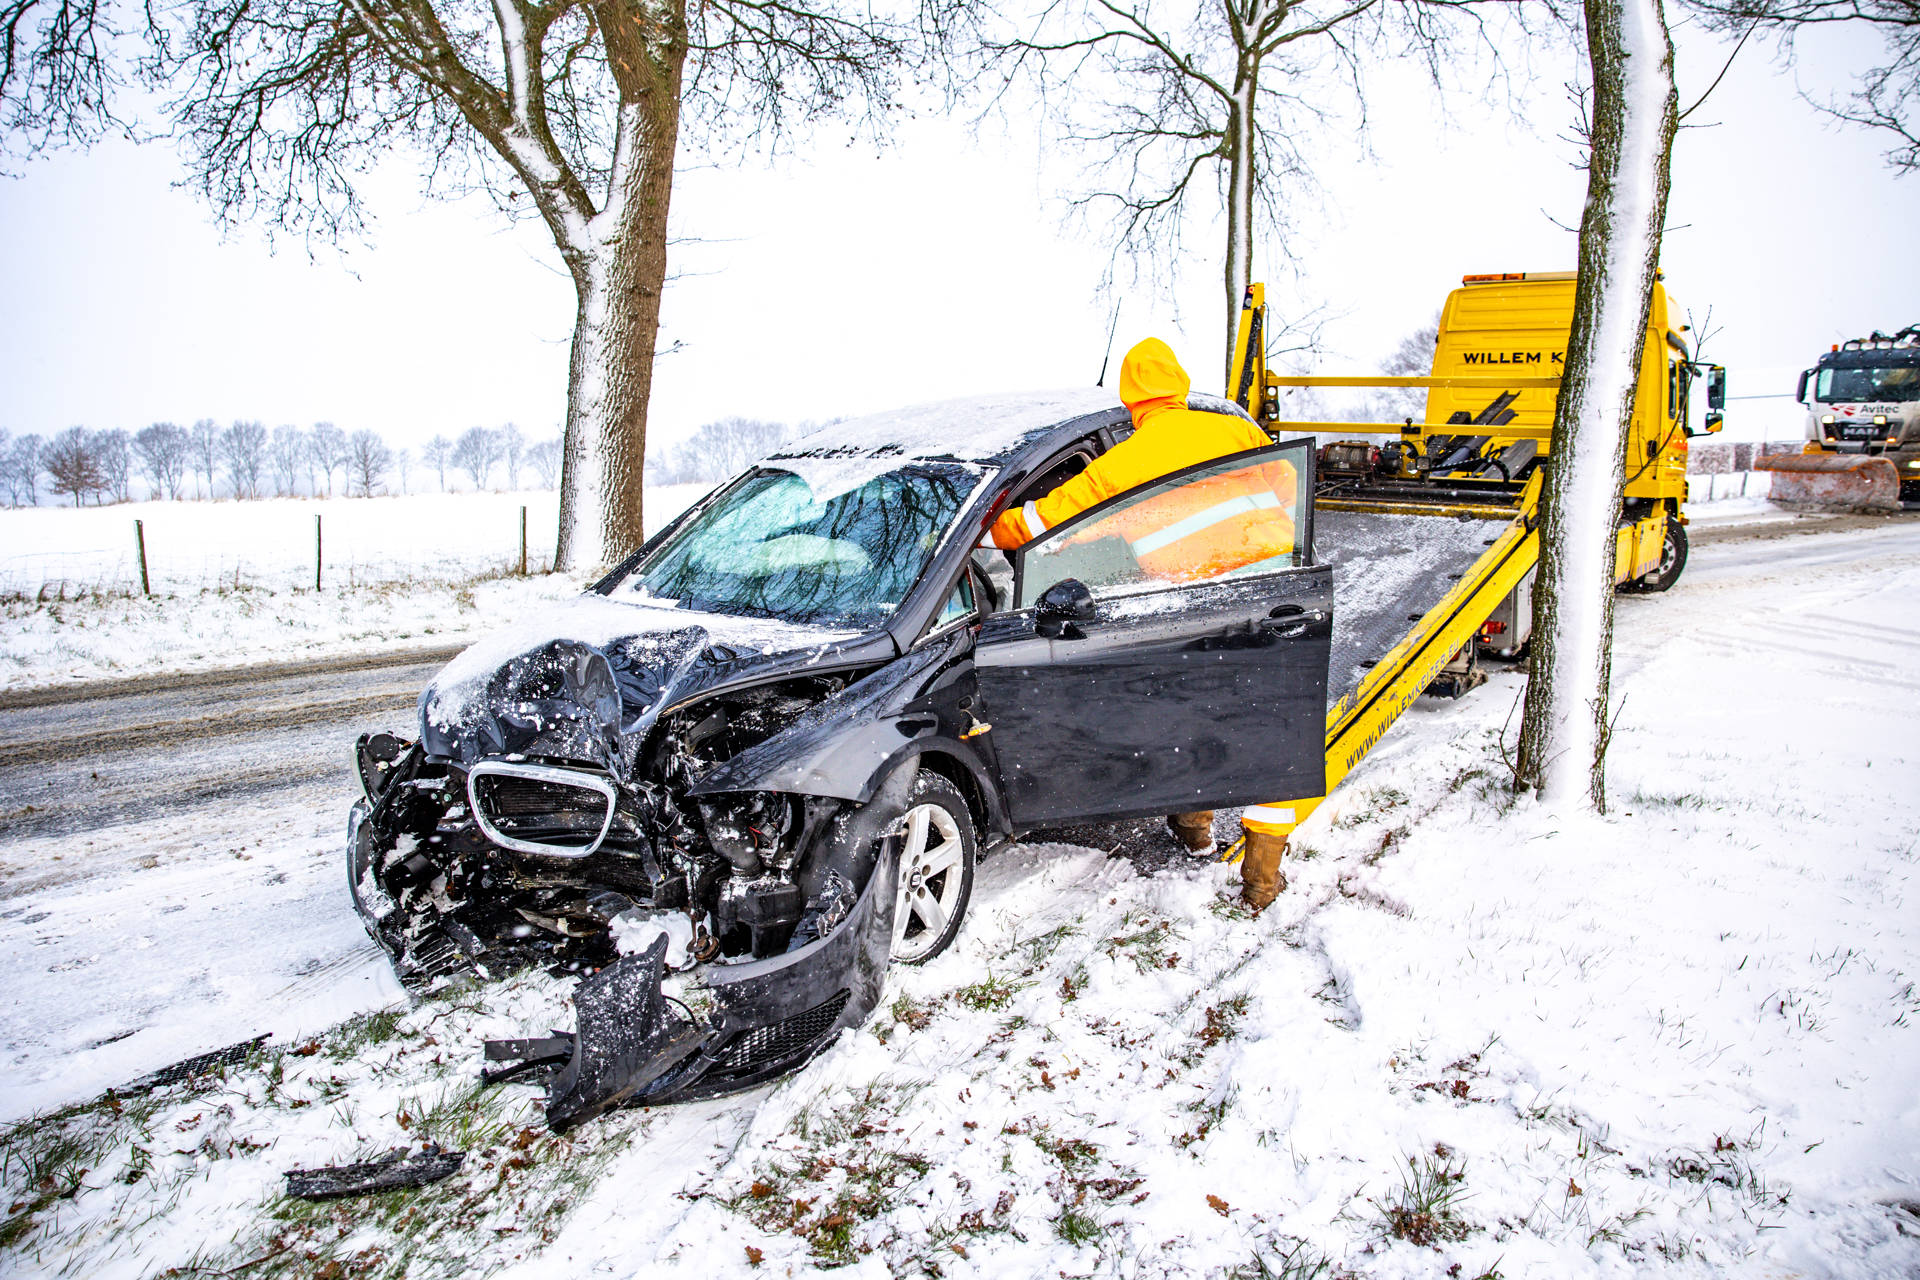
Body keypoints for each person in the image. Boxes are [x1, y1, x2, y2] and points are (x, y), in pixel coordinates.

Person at [989, 337, 1298, 909]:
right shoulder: (1234, 432)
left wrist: (980, 529)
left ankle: (1194, 829)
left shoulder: (1127, 460)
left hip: (1195, 605)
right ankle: (1261, 883)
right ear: (1178, 386)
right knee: (1270, 735)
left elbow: (1043, 523)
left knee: (1195, 716)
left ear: (1131, 401)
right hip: (1277, 595)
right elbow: (1287, 484)